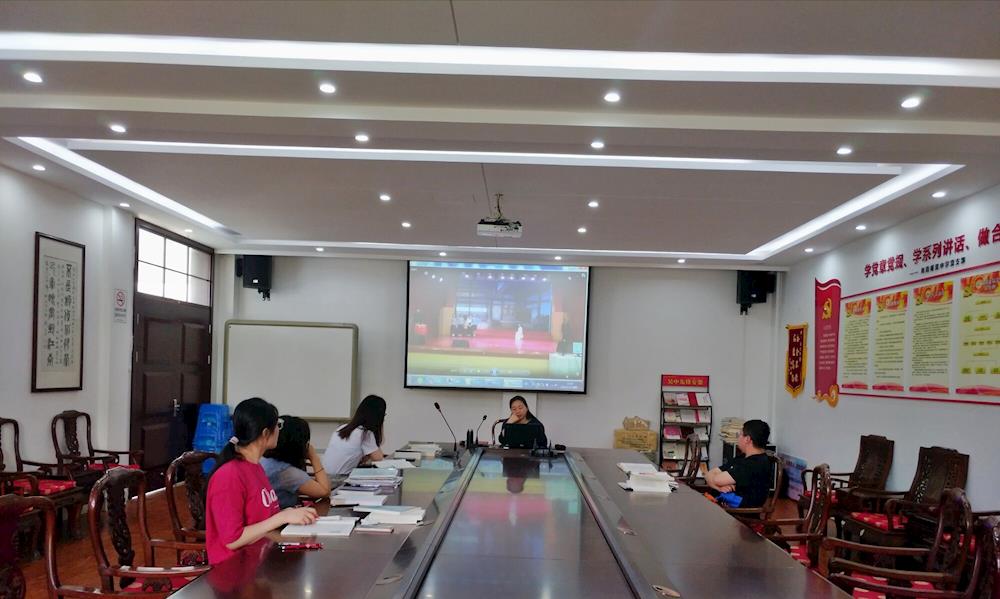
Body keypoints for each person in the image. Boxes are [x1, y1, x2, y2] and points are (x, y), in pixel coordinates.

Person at [205, 398, 318, 565]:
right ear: (265, 433)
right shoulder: (229, 475)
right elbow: (232, 540)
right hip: (234, 568)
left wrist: (292, 535)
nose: (279, 430)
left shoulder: (255, 467)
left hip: (260, 560)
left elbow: (263, 526)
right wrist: (282, 517)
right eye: (278, 425)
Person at [260, 415, 332, 509]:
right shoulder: (287, 473)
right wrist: (314, 457)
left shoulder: (265, 460)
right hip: (282, 516)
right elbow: (324, 491)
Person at [704, 419, 772, 508]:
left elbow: (716, 479)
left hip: (742, 508)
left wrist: (718, 483)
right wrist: (719, 487)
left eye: (739, 435)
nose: (738, 438)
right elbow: (709, 475)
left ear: (747, 439)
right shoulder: (744, 457)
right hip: (728, 501)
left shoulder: (753, 463)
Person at [321, 394, 387, 476]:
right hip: (339, 480)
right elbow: (379, 460)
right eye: (383, 415)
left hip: (323, 477)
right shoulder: (365, 433)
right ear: (378, 417)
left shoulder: (342, 428)